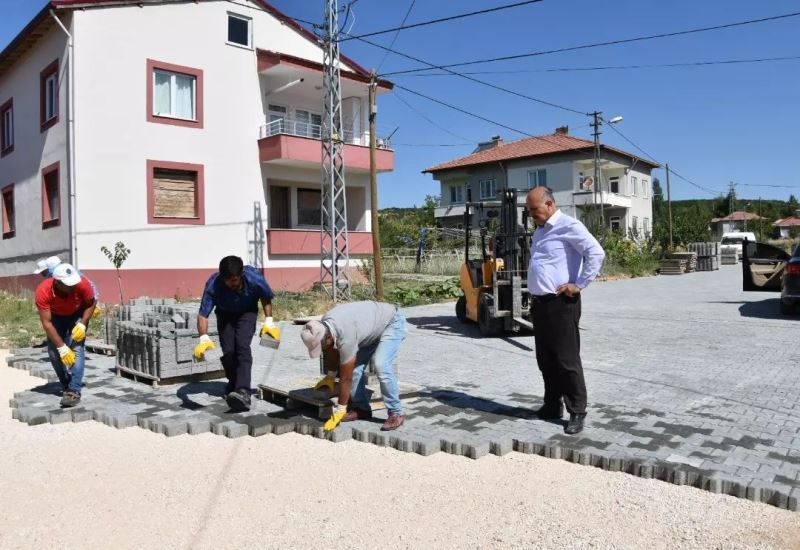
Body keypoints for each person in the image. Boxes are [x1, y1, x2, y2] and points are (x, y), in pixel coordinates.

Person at [525, 186, 605, 435]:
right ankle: (552, 404)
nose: (531, 215)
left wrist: (578, 284)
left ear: (549, 205)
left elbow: (596, 253)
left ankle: (577, 411)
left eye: (534, 210)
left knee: (566, 360)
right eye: (529, 211)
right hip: (540, 304)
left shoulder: (569, 226)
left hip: (561, 304)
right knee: (545, 359)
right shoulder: (539, 231)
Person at [300, 301, 406, 432]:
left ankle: (396, 413)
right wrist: (331, 376)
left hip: (391, 323)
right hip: (369, 330)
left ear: (328, 337)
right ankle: (361, 409)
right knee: (356, 370)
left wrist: (341, 409)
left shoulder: (345, 334)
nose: (322, 349)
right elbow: (333, 348)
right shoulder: (325, 325)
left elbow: (346, 378)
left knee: (381, 365)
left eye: (321, 346)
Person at [193, 256, 278, 412]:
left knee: (242, 346)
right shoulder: (214, 283)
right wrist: (203, 337)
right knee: (229, 352)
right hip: (225, 315)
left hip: (247, 313)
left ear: (241, 275)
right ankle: (233, 384)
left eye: (233, 280)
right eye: (226, 280)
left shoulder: (254, 278)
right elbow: (203, 315)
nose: (229, 284)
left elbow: (265, 296)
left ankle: (243, 391)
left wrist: (269, 321)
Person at [34, 263, 97, 407]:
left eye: (74, 283)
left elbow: (91, 302)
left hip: (76, 315)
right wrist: (62, 347)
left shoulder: (81, 283)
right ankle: (65, 383)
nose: (73, 286)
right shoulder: (43, 291)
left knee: (77, 349)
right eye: (69, 285)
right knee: (54, 354)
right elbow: (47, 323)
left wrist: (83, 323)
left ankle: (74, 390)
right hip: (55, 318)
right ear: (57, 282)